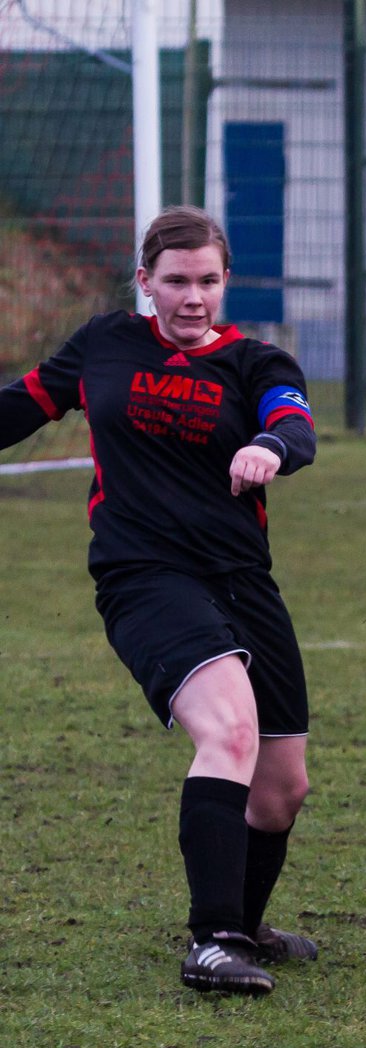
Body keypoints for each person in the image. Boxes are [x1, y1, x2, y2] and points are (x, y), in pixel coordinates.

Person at [0, 205, 319, 995]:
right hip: (143, 577)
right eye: (175, 281)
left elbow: (295, 426)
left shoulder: (257, 362)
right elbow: (20, 406)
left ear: (224, 282)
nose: (192, 298)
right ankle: (212, 942)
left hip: (242, 581)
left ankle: (242, 925)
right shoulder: (104, 345)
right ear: (145, 282)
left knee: (281, 791)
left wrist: (267, 445)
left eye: (208, 281)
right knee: (230, 732)